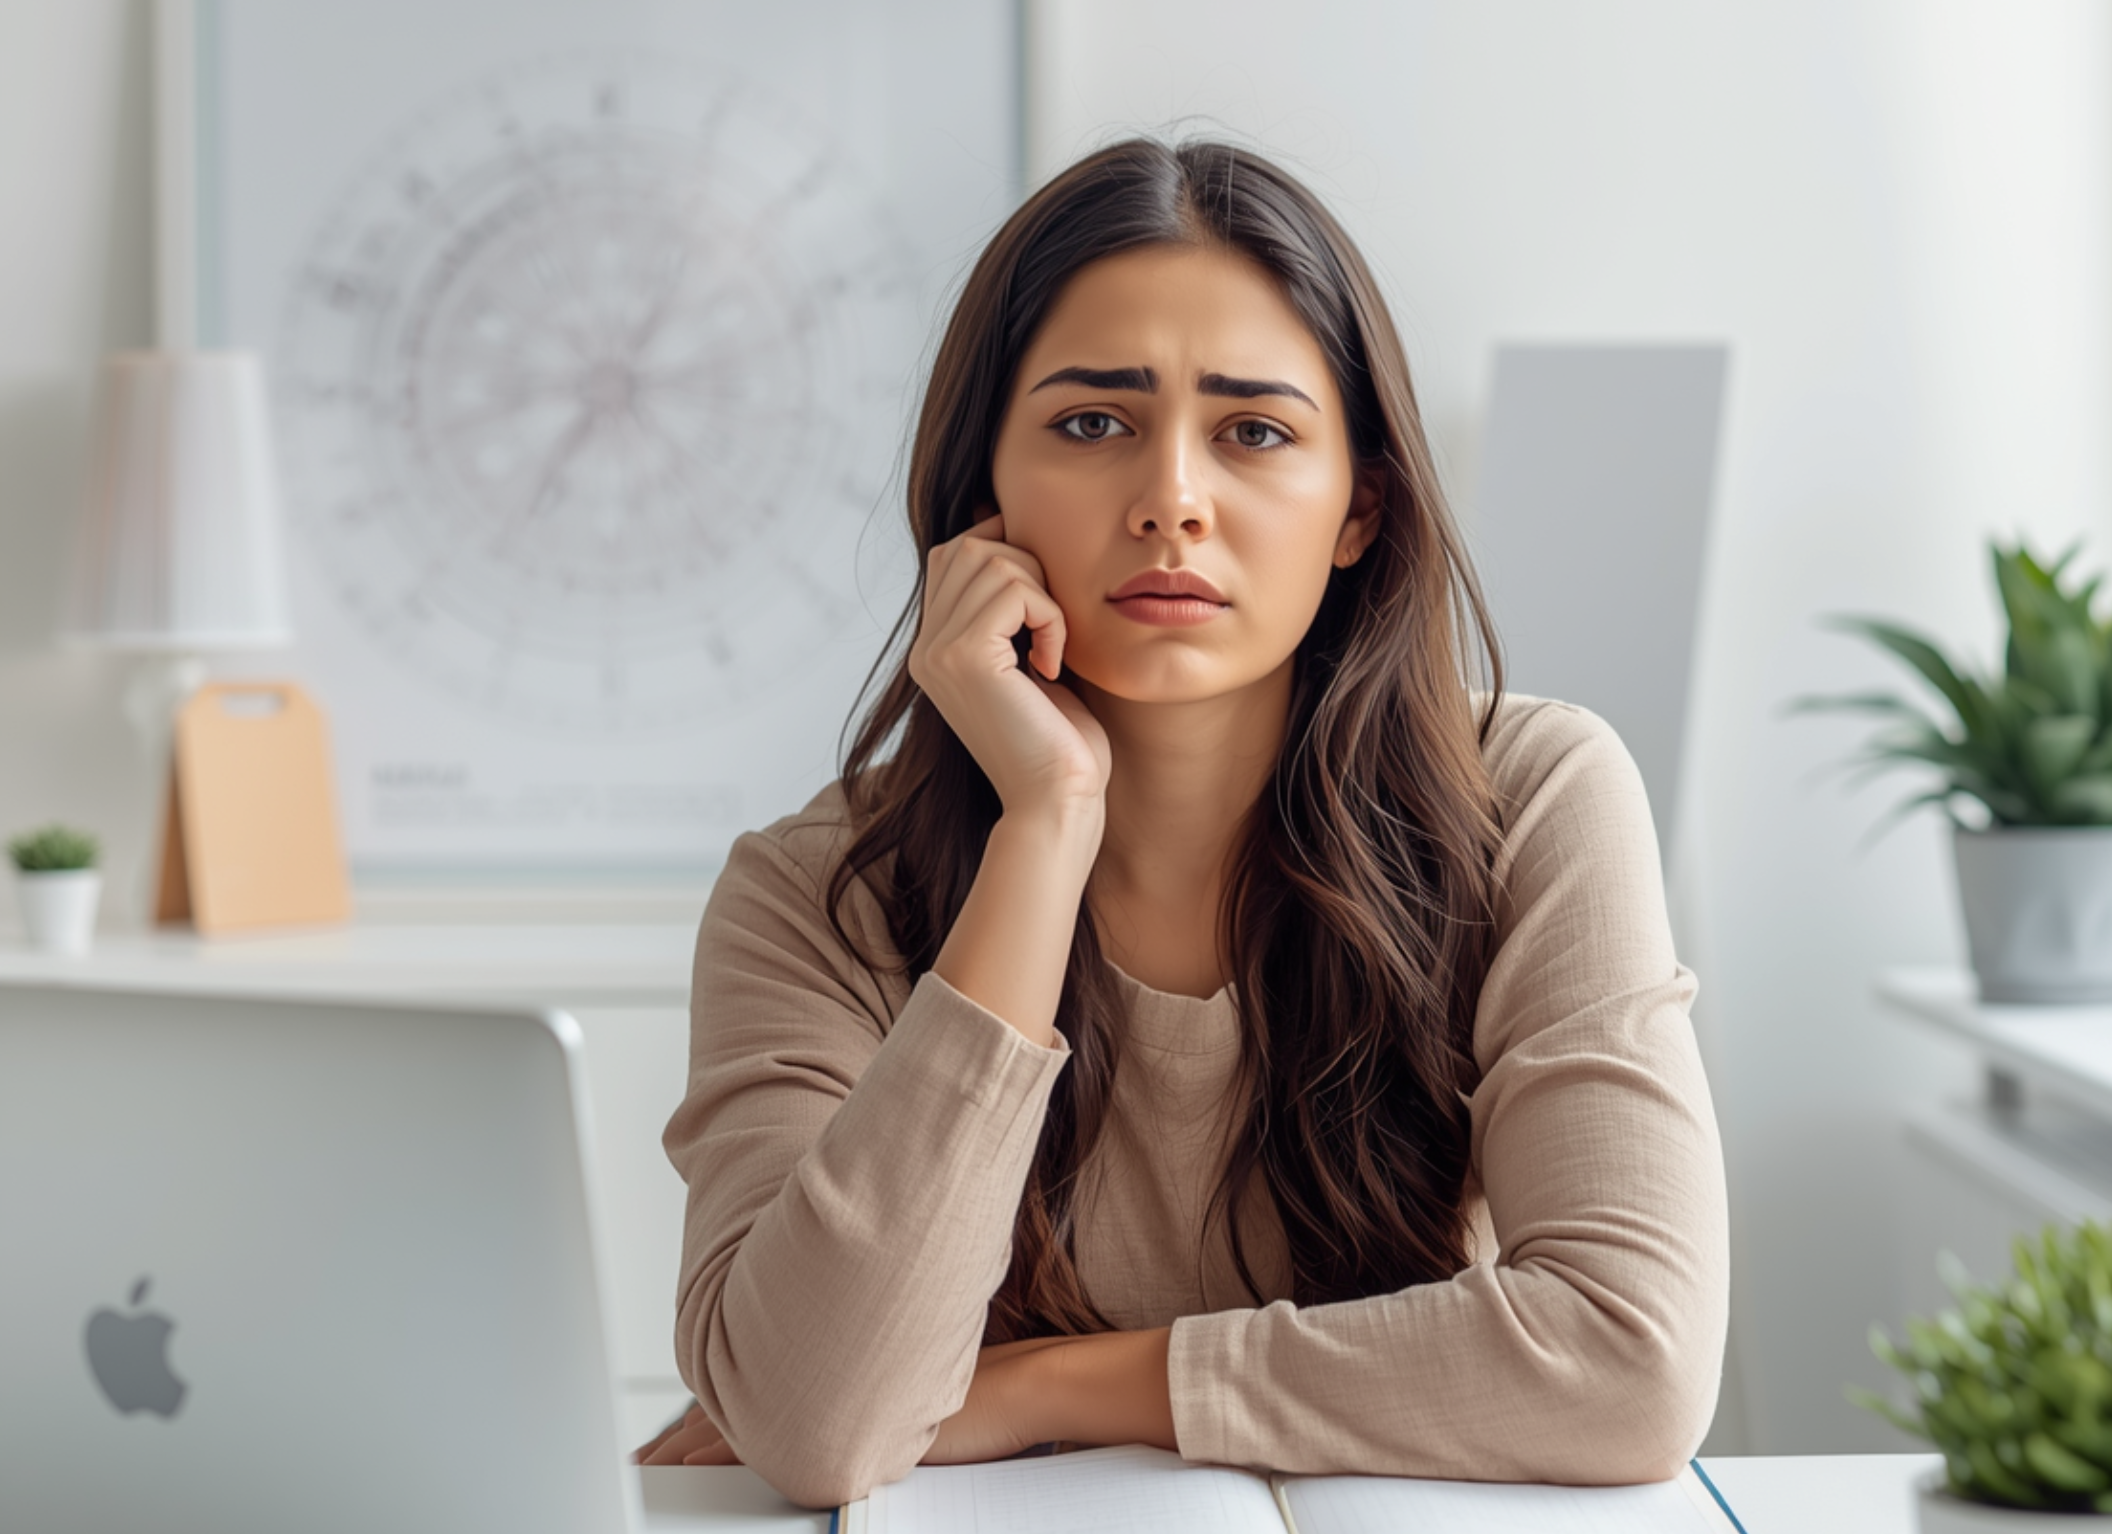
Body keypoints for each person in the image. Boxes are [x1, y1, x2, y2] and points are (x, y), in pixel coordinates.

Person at [635, 137, 1728, 1509]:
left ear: (1357, 507)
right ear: (985, 496)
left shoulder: (1532, 798)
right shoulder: (814, 894)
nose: (1171, 499)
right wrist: (1047, 820)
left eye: (1254, 431)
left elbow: (1627, 1360)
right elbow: (819, 1424)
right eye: (1092, 423)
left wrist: (1042, 1385)